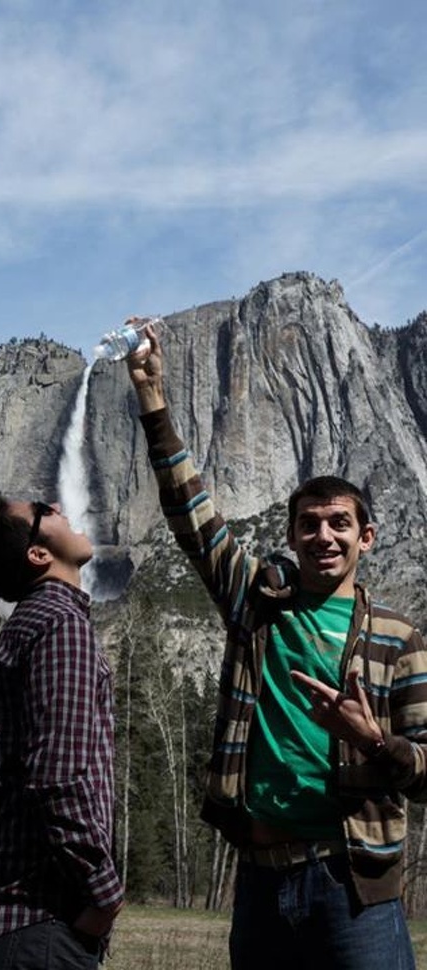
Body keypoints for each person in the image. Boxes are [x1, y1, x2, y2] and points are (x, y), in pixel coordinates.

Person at [127, 323, 427, 970]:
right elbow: (190, 513)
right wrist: (153, 399)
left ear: (367, 538)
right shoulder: (257, 604)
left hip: (356, 890)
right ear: (291, 536)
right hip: (261, 885)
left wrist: (376, 741)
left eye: (340, 524)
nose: (324, 536)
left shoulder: (401, 639)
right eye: (309, 525)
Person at [0, 495, 124, 969]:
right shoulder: (60, 626)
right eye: (44, 510)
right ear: (38, 554)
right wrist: (105, 896)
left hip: (5, 922)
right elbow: (58, 777)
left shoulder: (28, 625)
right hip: (35, 921)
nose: (59, 506)